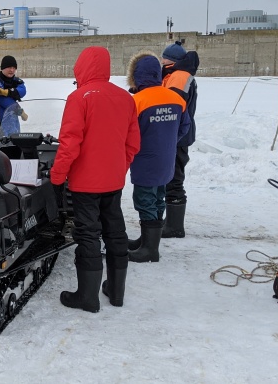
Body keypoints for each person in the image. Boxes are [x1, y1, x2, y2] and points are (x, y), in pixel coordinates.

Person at [50, 46, 140, 312]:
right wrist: (117, 169)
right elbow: (132, 144)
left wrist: (57, 177)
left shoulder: (79, 97)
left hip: (84, 184)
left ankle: (87, 298)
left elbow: (69, 145)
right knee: (115, 232)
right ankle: (116, 291)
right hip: (113, 182)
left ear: (81, 67)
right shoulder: (125, 98)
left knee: (88, 235)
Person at [125, 52, 190, 264]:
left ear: (136, 76)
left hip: (145, 161)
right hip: (166, 160)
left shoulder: (137, 101)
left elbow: (128, 132)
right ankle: (147, 241)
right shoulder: (176, 98)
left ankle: (150, 250)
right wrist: (168, 141)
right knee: (159, 197)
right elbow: (185, 128)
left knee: (144, 200)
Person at [160, 41, 199, 239]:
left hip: (178, 136)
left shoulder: (178, 76)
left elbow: (172, 107)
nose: (161, 60)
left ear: (170, 60)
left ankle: (175, 226)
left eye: (163, 57)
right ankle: (172, 222)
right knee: (173, 176)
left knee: (174, 178)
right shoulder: (176, 74)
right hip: (180, 134)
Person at [0, 55, 28, 136]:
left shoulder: (16, 81)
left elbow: (23, 91)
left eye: (14, 68)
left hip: (13, 120)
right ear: (3, 68)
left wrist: (7, 92)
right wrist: (20, 111)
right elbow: (4, 100)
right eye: (9, 67)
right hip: (0, 120)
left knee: (15, 143)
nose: (12, 70)